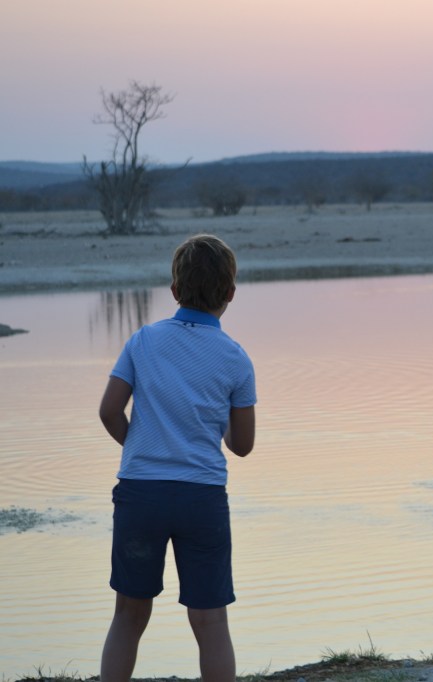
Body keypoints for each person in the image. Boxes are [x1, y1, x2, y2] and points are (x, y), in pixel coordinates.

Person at [98, 234, 257, 682]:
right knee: (210, 622)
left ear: (173, 290)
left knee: (128, 616)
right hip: (201, 499)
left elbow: (109, 411)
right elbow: (242, 445)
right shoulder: (235, 358)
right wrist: (214, 418)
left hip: (141, 495)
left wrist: (139, 446)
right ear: (229, 293)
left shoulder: (143, 341)